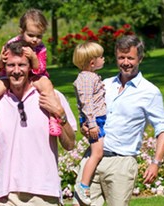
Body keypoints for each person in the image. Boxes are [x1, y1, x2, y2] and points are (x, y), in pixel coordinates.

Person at [0, 40, 77, 205]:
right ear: (5, 67)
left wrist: (60, 114)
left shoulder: (51, 97)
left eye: (22, 65)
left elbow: (70, 144)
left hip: (43, 194)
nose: (16, 71)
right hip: (4, 196)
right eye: (11, 65)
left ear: (30, 67)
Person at [72, 35, 164, 206]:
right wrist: (84, 126)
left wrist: (156, 162)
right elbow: (87, 108)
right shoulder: (104, 84)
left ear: (140, 58)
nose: (125, 62)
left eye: (130, 58)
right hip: (94, 157)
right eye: (121, 58)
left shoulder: (150, 92)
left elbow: (162, 128)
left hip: (121, 164)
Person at [0, 8, 62, 137]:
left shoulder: (40, 48)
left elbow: (40, 69)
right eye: (31, 35)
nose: (35, 40)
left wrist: (33, 57)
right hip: (11, 77)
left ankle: (53, 119)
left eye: (39, 36)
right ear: (22, 31)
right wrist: (0, 59)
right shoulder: (11, 44)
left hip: (35, 76)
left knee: (47, 86)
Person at [72, 42, 107, 205]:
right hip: (95, 120)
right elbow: (86, 102)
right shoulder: (86, 79)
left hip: (96, 119)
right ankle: (83, 185)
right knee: (97, 153)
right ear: (92, 62)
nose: (104, 59)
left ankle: (83, 182)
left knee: (97, 152)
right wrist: (92, 124)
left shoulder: (89, 77)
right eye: (101, 57)